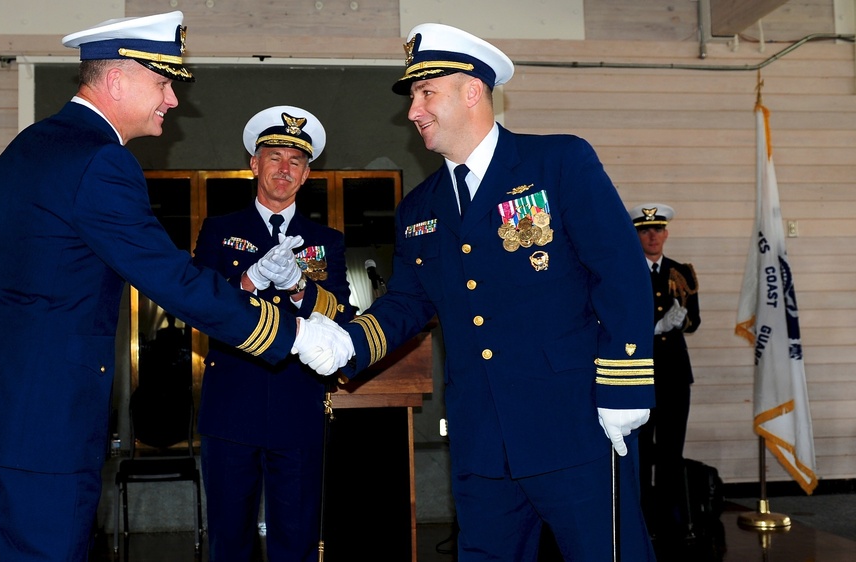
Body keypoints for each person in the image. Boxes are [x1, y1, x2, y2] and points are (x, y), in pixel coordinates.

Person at [0, 13, 350, 562]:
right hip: (47, 420)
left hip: (2, 408)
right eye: (163, 82)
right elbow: (170, 277)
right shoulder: (101, 161)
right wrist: (294, 335)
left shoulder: (31, 146)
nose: (172, 100)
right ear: (117, 80)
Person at [327, 23, 658, 560]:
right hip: (482, 438)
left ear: (472, 91)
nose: (413, 110)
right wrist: (350, 343)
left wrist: (625, 385)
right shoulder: (419, 208)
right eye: (414, 95)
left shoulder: (558, 163)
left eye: (425, 92)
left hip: (576, 424)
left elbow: (620, 273)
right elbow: (410, 301)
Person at [191, 105, 353, 561]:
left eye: (295, 161)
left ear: (307, 175)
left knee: (297, 540)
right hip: (231, 406)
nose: (284, 169)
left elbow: (339, 311)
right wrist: (249, 281)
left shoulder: (327, 241)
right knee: (230, 539)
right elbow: (197, 306)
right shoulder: (220, 231)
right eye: (274, 157)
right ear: (254, 165)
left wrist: (298, 287)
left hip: (297, 403)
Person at [629, 203, 701, 540]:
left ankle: (676, 523)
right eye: (645, 230)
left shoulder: (680, 272)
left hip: (673, 375)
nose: (652, 235)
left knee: (672, 451)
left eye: (657, 229)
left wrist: (679, 320)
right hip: (640, 373)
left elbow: (694, 321)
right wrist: (655, 327)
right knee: (640, 451)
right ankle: (642, 524)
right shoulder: (626, 270)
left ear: (666, 234)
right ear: (637, 234)